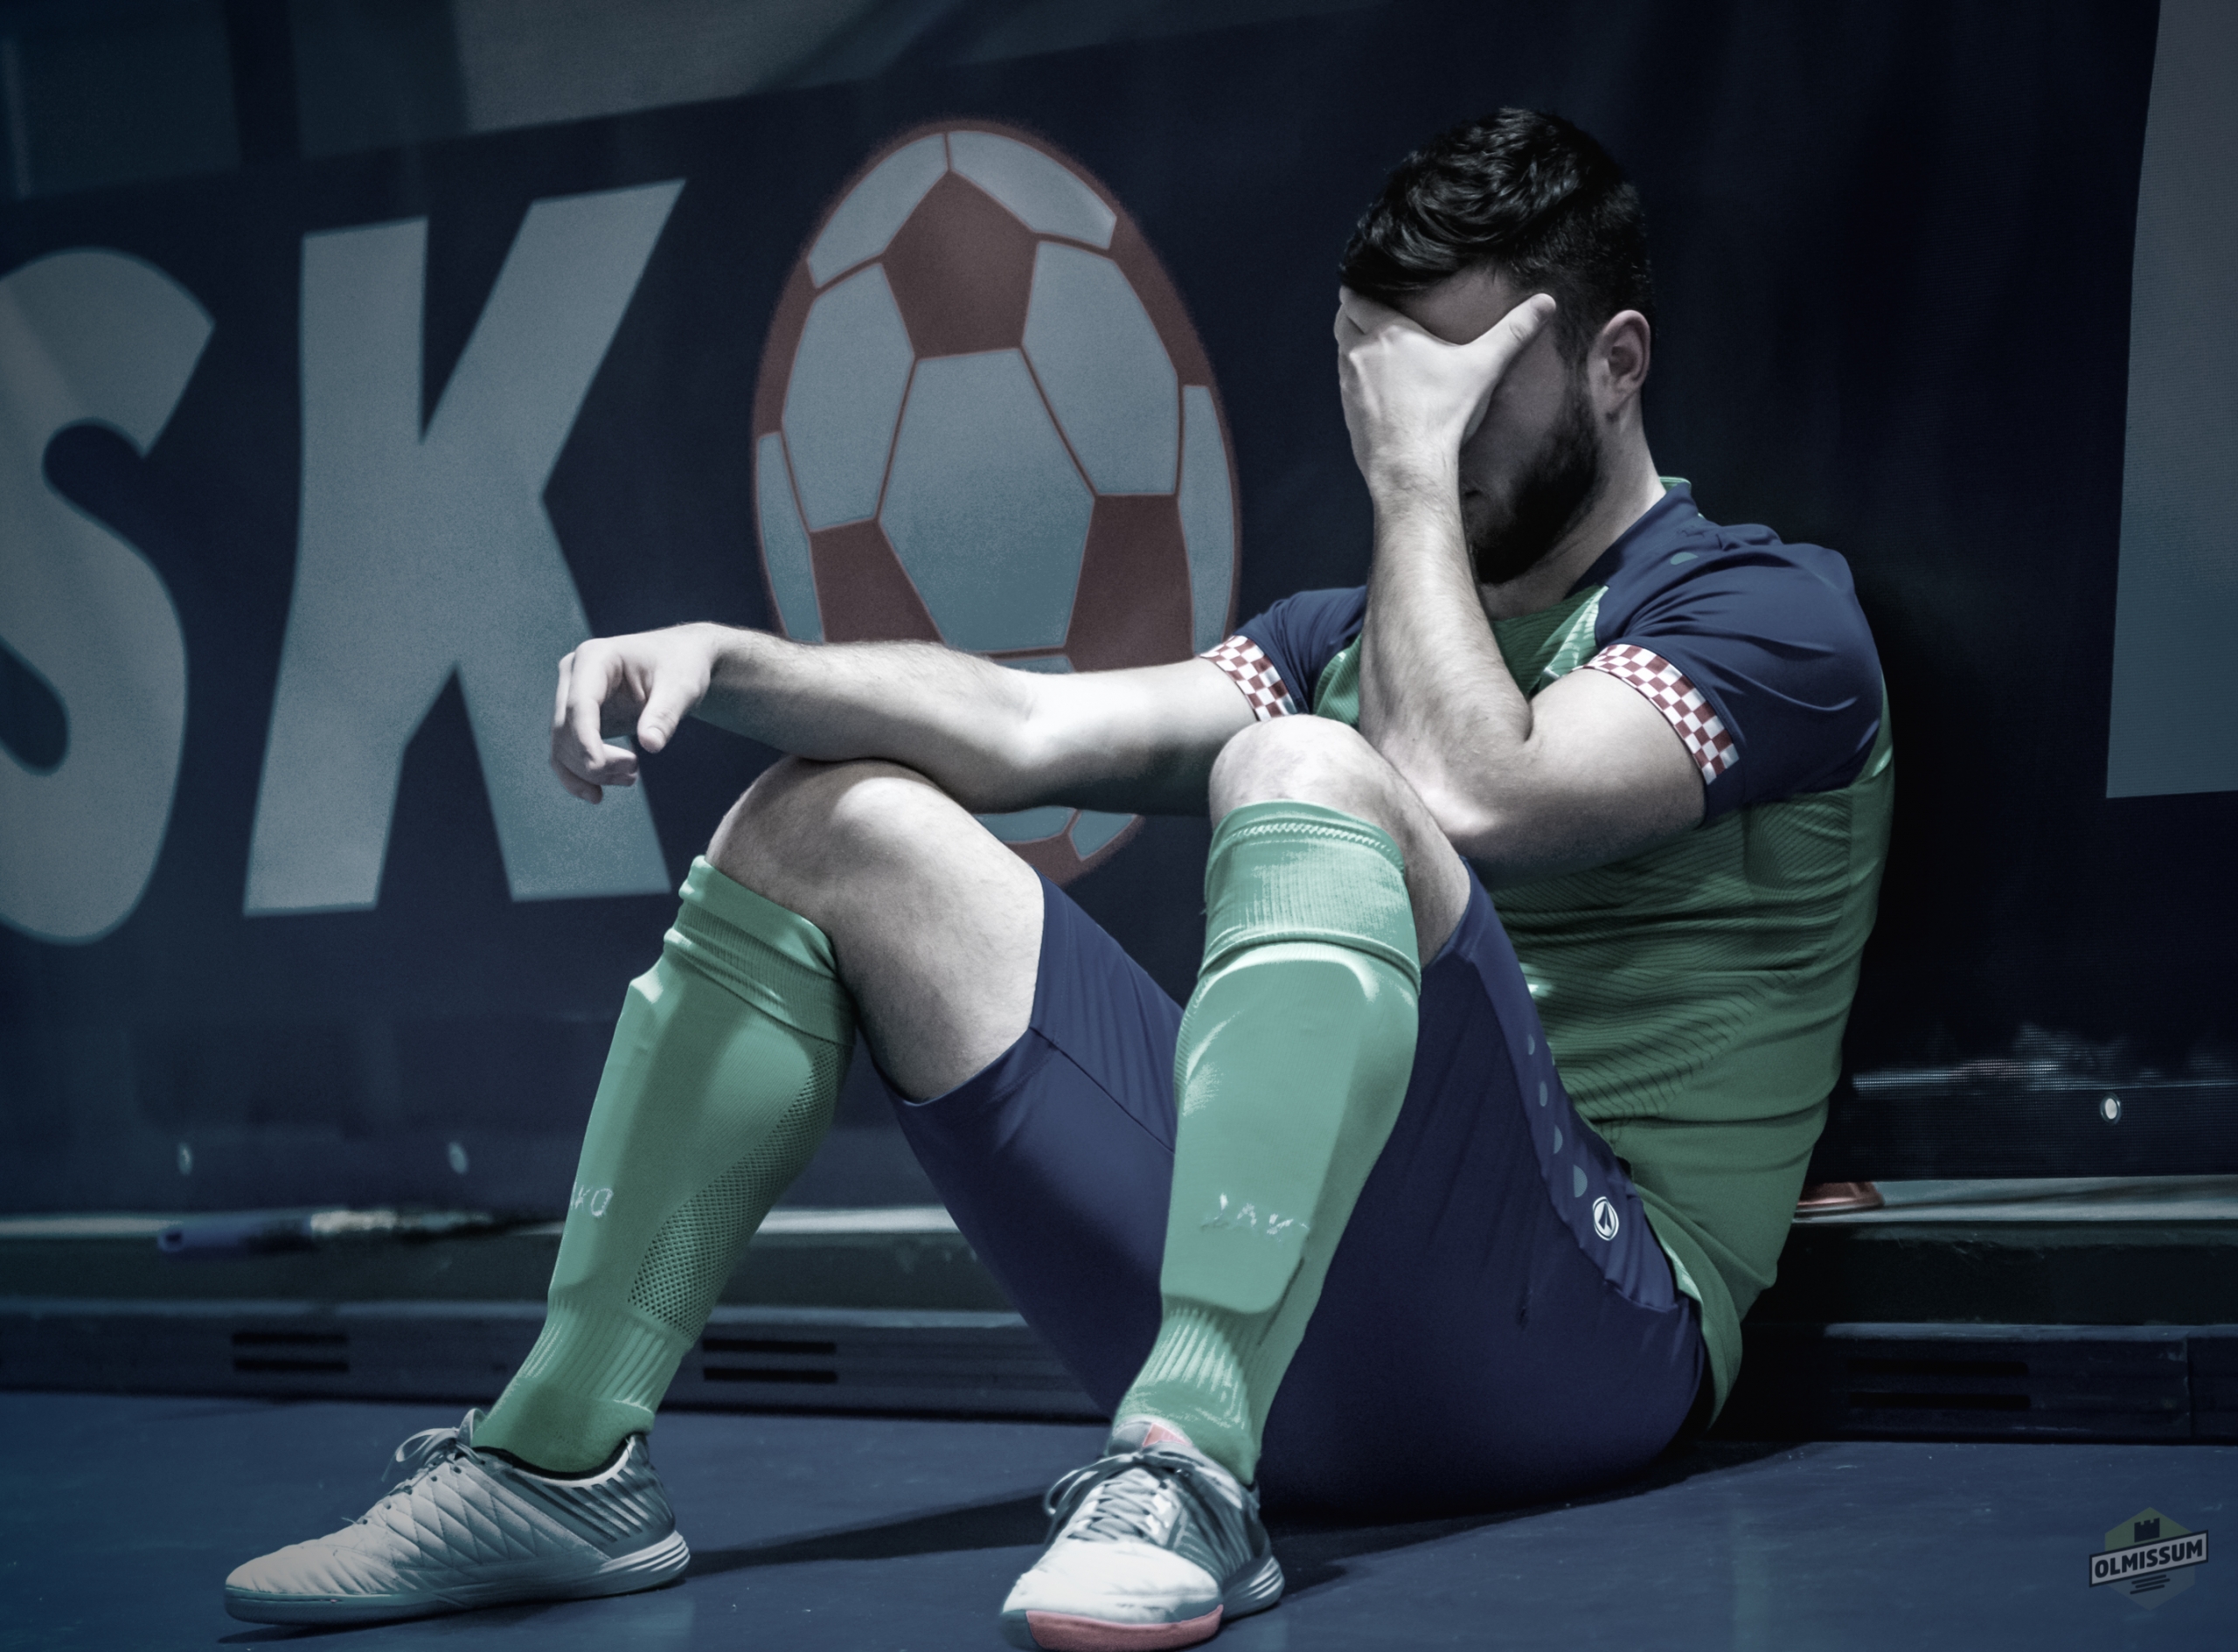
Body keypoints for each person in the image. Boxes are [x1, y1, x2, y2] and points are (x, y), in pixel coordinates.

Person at [223, 108, 1890, 1648]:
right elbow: (1022, 727)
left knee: (1305, 766)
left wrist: (1404, 481)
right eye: (1383, 382)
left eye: (1462, 387)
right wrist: (723, 656)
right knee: (826, 819)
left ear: (1614, 363)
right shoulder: (1339, 641)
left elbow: (1471, 786)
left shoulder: (1770, 617)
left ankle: (1185, 1459)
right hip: (1306, 1321)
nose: (1414, 426)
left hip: (1585, 1342)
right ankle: (559, 1460)